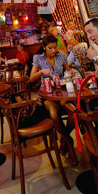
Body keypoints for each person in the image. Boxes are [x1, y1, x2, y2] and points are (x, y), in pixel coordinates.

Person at [30, 35, 78, 166]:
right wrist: (41, 72)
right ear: (44, 47)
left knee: (74, 113)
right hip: (47, 94)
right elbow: (31, 78)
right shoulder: (38, 58)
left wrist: (70, 73)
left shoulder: (61, 56)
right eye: (49, 48)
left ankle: (64, 138)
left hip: (62, 93)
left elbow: (67, 71)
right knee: (53, 113)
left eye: (54, 47)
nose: (53, 50)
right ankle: (69, 143)